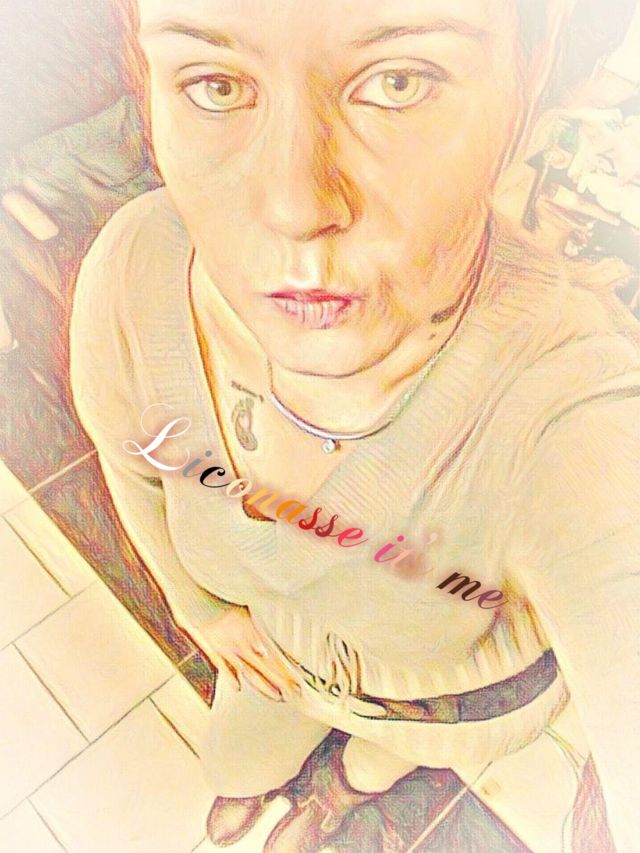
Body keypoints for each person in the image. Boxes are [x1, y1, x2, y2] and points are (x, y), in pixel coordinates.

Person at [69, 0, 640, 850]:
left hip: (448, 705)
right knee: (235, 761)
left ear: (526, 73)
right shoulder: (134, 275)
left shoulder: (571, 401)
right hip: (270, 658)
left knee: (377, 763)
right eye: (217, 84)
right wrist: (200, 611)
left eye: (399, 81)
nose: (296, 206)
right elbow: (133, 468)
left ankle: (337, 792)